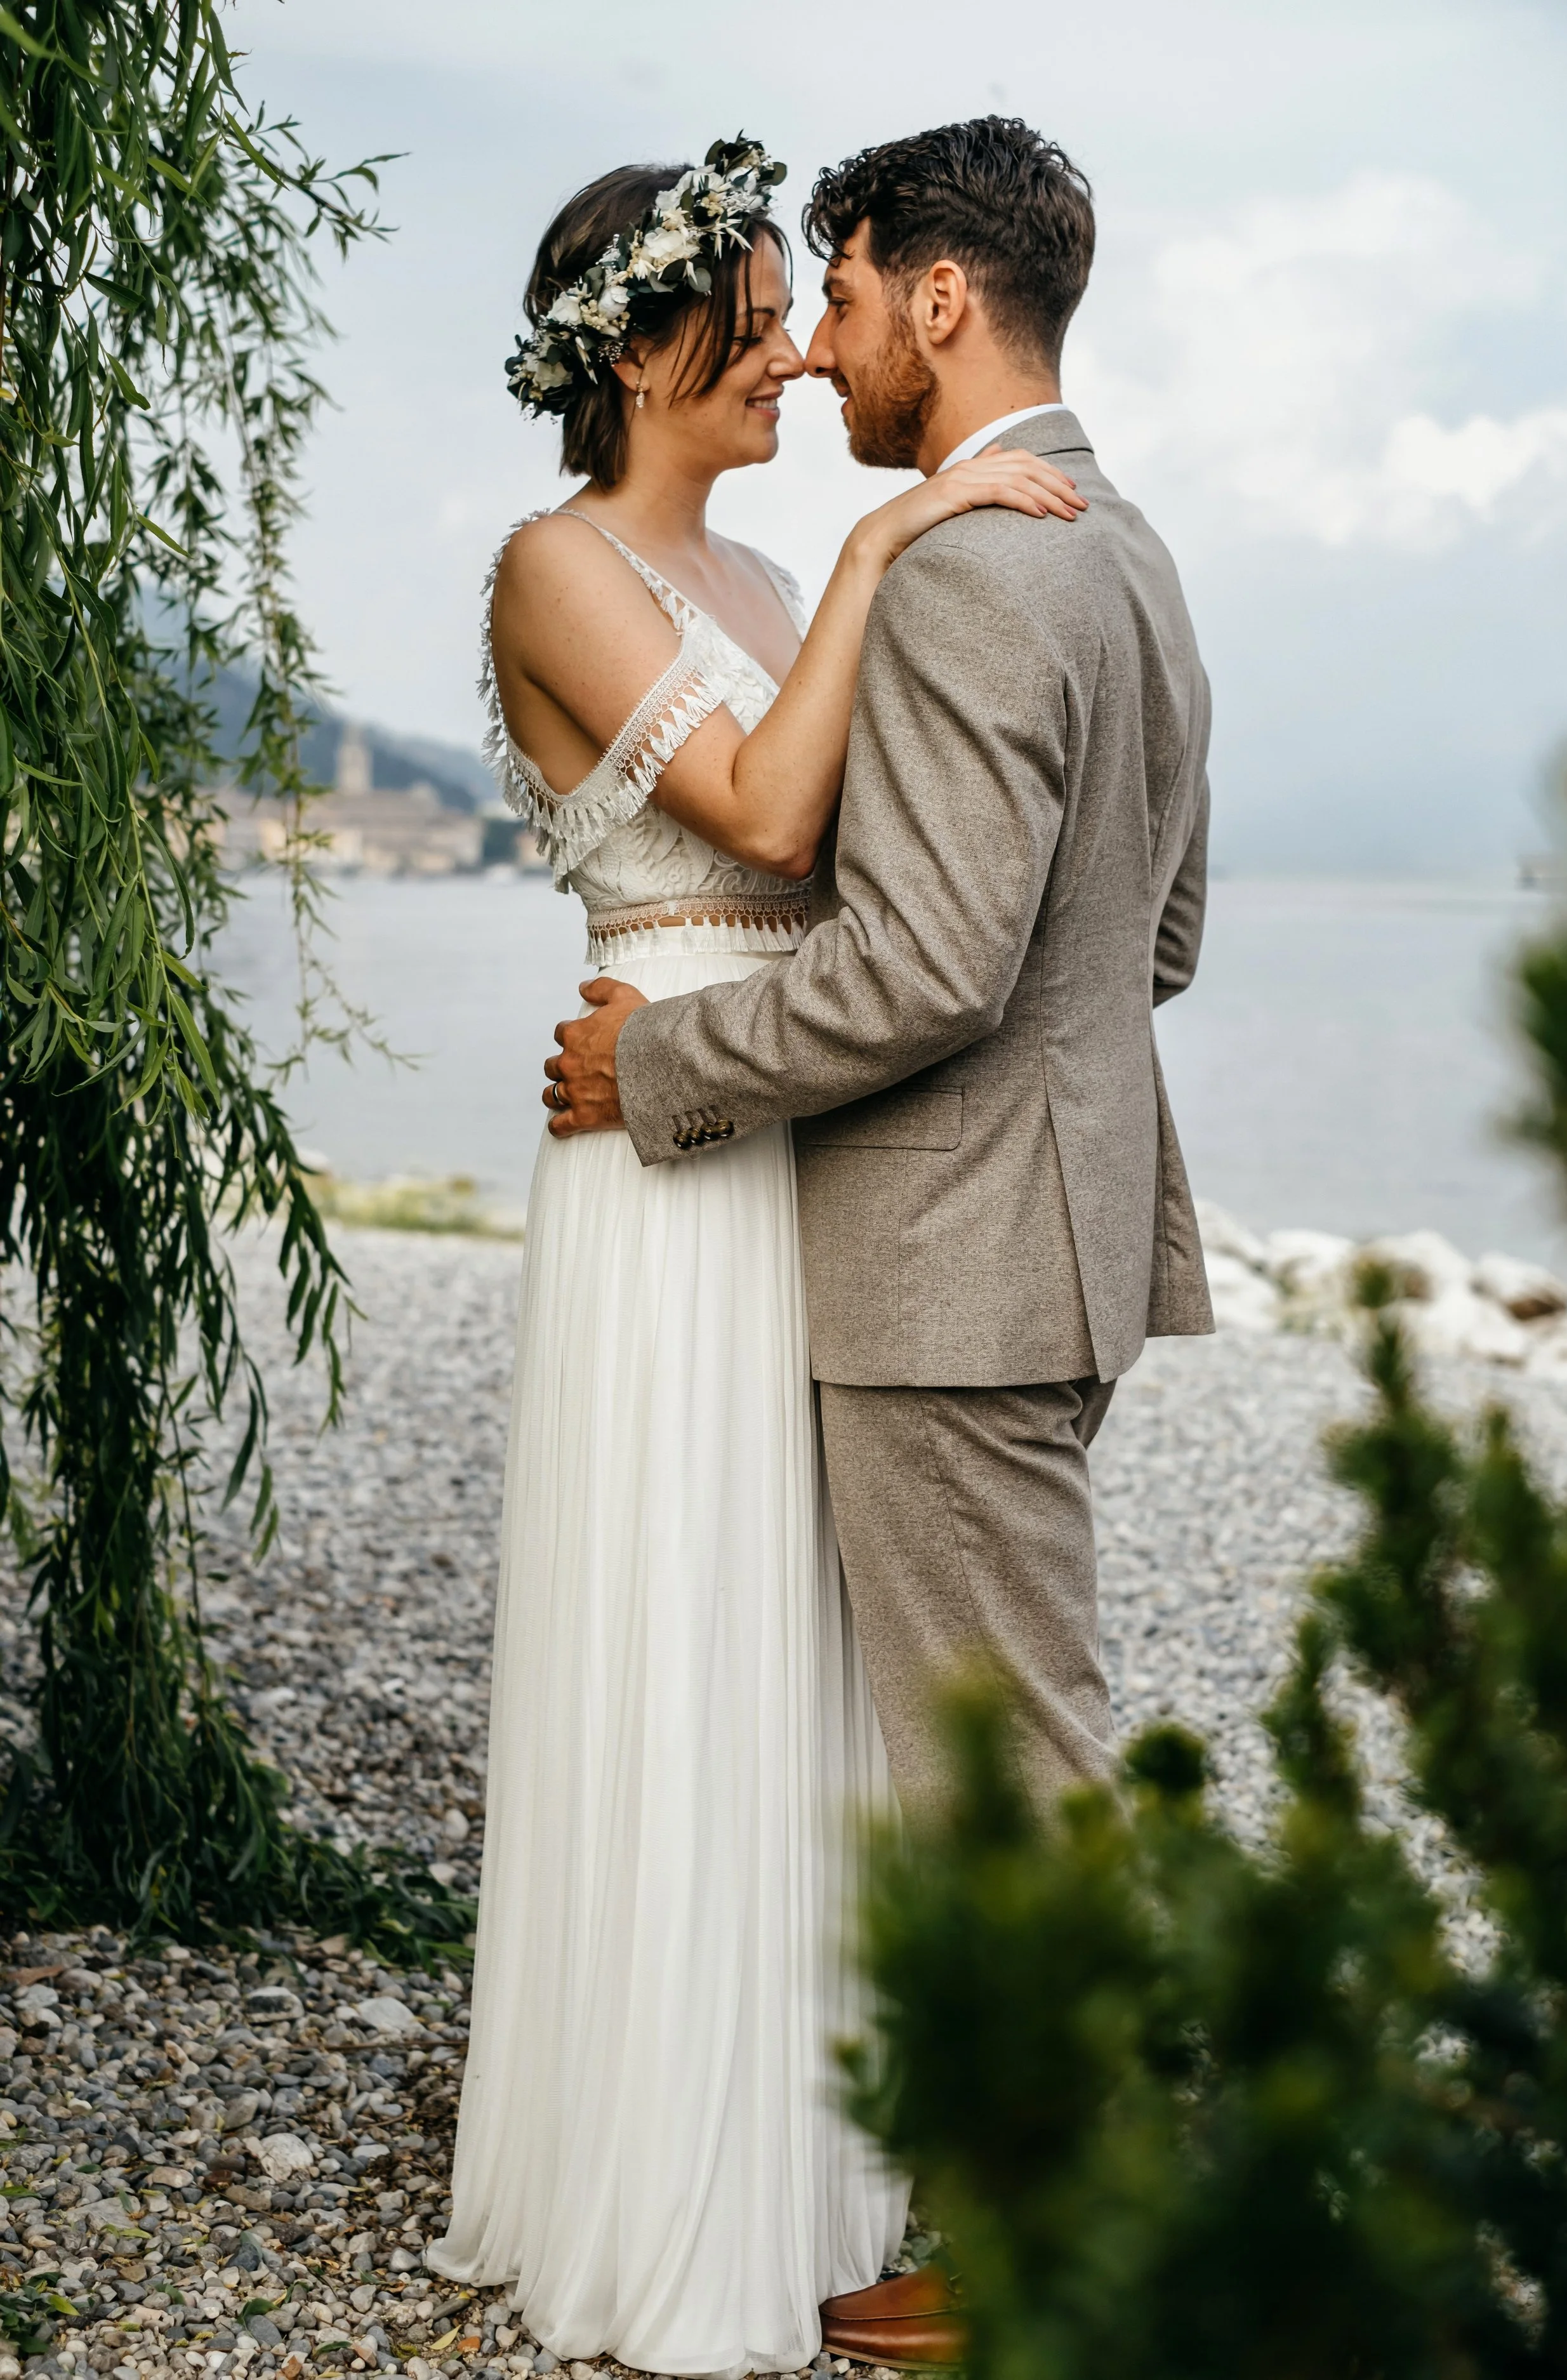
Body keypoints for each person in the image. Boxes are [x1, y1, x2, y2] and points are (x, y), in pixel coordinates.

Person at [546, 116, 1215, 2365]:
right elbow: (1159, 940)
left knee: (1001, 1757)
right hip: (1064, 1229)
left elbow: (927, 970)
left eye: (834, 299)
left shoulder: (956, 571)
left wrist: (660, 1071)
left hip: (941, 1252)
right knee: (1012, 1729)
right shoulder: (1130, 559)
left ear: (941, 299)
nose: (817, 351)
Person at [425, 135, 1085, 2379]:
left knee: (795, 1672)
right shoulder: (561, 561)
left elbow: (881, 884)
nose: (795, 354)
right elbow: (778, 824)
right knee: (672, 1626)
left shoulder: (774, 568)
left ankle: (812, 2155)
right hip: (654, 1169)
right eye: (746, 311)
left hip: (775, 1137)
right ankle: (650, 2173)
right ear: (633, 346)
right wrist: (907, 531)